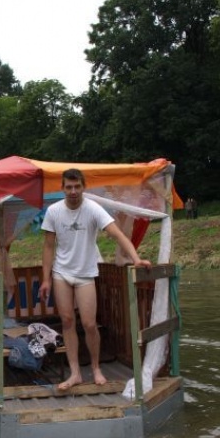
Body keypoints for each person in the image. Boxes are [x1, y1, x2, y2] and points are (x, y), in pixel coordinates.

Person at [39, 168, 152, 391]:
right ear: (62, 188)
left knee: (90, 324)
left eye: (77, 187)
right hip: (61, 272)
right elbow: (48, 247)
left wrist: (136, 259)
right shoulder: (53, 211)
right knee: (68, 321)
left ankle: (96, 367)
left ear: (83, 187)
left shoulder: (92, 209)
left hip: (86, 272)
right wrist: (46, 280)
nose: (72, 191)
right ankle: (75, 373)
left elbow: (118, 234)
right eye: (68, 187)